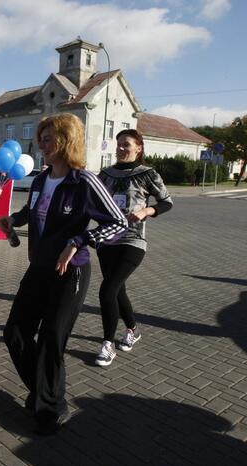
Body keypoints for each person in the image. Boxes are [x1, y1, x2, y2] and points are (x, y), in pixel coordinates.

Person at [0, 113, 127, 435]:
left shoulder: (84, 180)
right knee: (15, 332)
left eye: (48, 139)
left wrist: (80, 240)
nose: (41, 145)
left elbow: (118, 222)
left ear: (66, 141)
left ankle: (52, 408)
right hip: (39, 267)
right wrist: (14, 220)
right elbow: (33, 212)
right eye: (40, 139)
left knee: (53, 338)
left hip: (72, 271)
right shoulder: (41, 179)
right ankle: (43, 391)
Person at [93, 129, 173, 367]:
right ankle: (133, 330)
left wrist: (146, 211)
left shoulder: (147, 173)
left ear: (138, 148)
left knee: (107, 291)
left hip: (133, 241)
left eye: (126, 144)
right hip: (107, 241)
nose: (120, 148)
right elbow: (92, 198)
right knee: (118, 291)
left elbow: (166, 202)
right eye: (118, 144)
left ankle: (107, 344)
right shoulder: (105, 174)